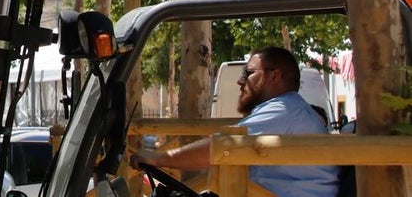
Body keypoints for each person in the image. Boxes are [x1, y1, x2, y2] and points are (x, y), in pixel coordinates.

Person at [129, 46, 339, 197]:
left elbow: (223, 148)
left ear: (274, 76)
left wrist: (159, 157)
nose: (241, 81)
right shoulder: (287, 109)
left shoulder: (284, 110)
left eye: (248, 73)